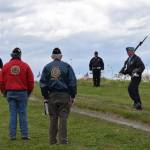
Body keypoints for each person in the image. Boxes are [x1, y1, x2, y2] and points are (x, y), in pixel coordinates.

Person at [40, 47, 77, 144]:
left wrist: (45, 96)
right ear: (60, 56)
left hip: (52, 95)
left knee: (53, 118)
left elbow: (43, 83)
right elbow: (72, 82)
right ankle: (63, 140)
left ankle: (52, 140)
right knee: (63, 118)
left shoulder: (47, 67)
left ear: (52, 56)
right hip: (64, 95)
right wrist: (72, 96)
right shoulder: (67, 66)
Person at [0, 48, 34, 140]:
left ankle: (12, 135)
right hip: (22, 93)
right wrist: (29, 92)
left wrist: (4, 92)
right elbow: (31, 81)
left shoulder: (6, 66)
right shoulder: (25, 66)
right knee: (23, 113)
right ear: (20, 55)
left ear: (12, 55)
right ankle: (24, 135)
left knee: (12, 114)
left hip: (10, 92)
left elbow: (1, 82)